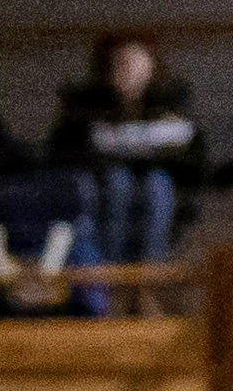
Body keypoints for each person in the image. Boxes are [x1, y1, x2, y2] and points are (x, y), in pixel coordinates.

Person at [49, 33, 207, 268]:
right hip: (101, 183)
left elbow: (192, 156)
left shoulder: (169, 103)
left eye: (136, 63)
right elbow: (64, 151)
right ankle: (110, 272)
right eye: (121, 64)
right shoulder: (84, 106)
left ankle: (149, 272)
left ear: (151, 67)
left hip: (159, 180)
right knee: (117, 182)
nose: (129, 71)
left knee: (157, 185)